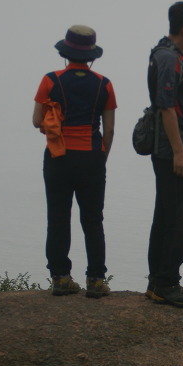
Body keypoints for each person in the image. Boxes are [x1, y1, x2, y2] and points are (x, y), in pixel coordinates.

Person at [32, 25, 116, 298]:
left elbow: (36, 121)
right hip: (91, 157)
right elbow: (110, 129)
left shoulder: (50, 81)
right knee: (93, 220)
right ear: (91, 56)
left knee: (58, 217)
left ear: (65, 53)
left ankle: (60, 278)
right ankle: (95, 280)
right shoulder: (104, 84)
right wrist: (101, 157)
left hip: (58, 157)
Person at [145, 2, 183, 308]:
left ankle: (160, 281)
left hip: (176, 147)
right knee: (180, 217)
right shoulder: (169, 59)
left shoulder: (169, 55)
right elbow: (166, 106)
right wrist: (180, 153)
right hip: (174, 150)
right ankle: (165, 282)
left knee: (168, 214)